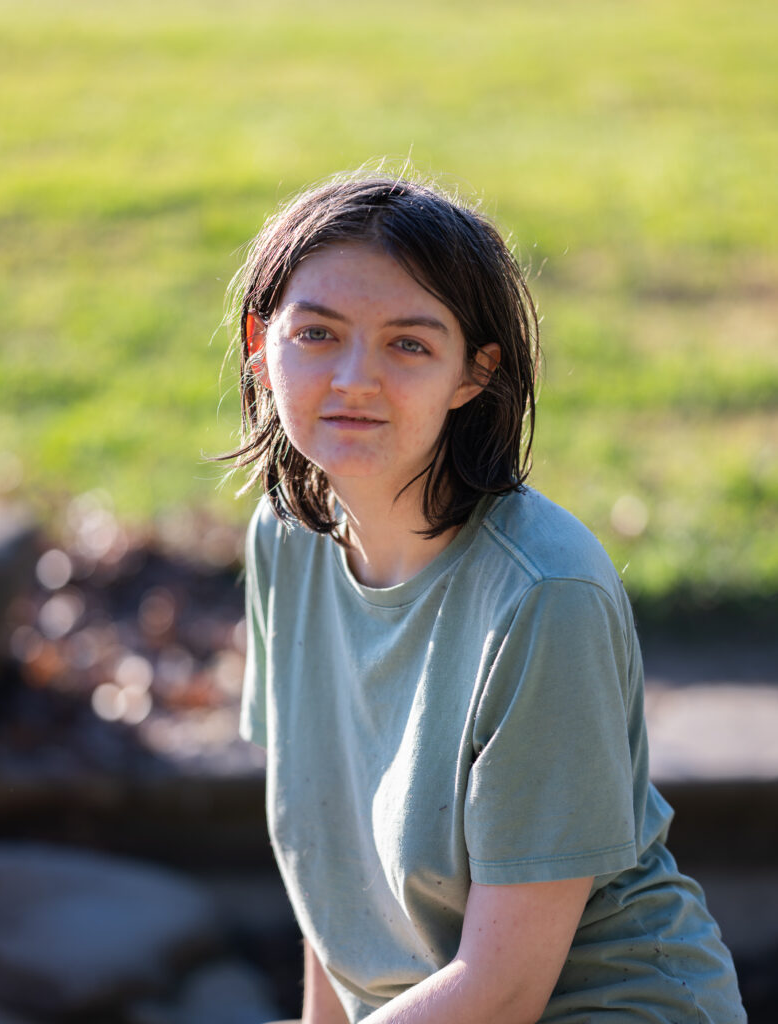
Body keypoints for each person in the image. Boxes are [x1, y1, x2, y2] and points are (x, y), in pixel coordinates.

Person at [221, 172, 746, 1023]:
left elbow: (502, 991)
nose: (353, 378)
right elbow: (334, 869)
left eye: (408, 345)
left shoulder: (544, 596)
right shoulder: (285, 542)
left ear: (474, 372)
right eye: (316, 333)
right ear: (259, 342)